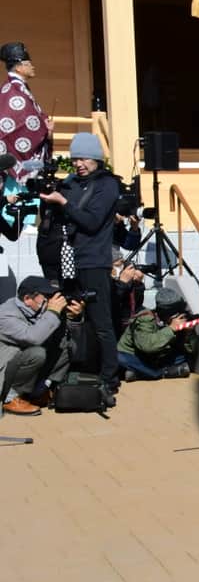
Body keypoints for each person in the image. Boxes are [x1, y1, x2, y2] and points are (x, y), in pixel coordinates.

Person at [37, 133, 121, 404]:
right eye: (75, 159)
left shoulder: (107, 185)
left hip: (94, 261)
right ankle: (66, 371)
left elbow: (92, 221)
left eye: (84, 158)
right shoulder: (69, 183)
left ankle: (110, 377)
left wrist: (63, 203)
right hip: (66, 259)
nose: (79, 164)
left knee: (101, 322)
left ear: (96, 158)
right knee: (66, 317)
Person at [0, 276, 81, 414]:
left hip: (25, 364)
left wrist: (74, 318)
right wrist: (53, 312)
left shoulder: (42, 310)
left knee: (68, 345)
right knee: (37, 353)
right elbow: (34, 338)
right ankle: (10, 397)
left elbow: (69, 337)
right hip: (6, 366)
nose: (51, 300)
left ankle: (39, 390)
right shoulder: (5, 314)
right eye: (46, 296)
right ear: (27, 299)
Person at [117, 287, 198, 381]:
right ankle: (162, 372)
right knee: (119, 358)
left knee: (186, 357)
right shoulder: (145, 319)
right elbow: (147, 346)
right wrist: (171, 329)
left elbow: (190, 350)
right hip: (134, 355)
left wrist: (188, 333)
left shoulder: (176, 320)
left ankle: (140, 373)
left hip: (156, 357)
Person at [0, 42, 53, 186]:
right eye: (28, 63)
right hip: (13, 159)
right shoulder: (13, 90)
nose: (32, 66)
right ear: (18, 67)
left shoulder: (16, 88)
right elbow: (24, 123)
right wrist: (45, 128)